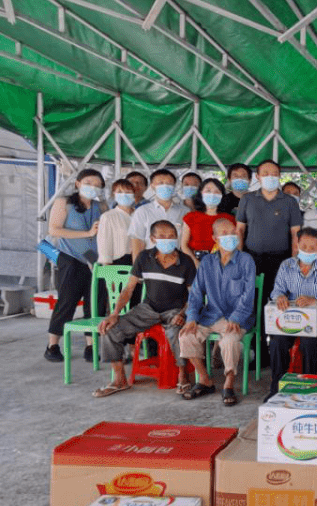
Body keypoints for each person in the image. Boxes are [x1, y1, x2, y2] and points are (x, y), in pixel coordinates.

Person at [92, 220, 197, 397]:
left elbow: (193, 295)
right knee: (110, 329)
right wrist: (115, 313)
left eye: (172, 236)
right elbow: (129, 289)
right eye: (162, 236)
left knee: (177, 333)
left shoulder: (186, 262)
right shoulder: (143, 258)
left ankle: (183, 375)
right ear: (153, 239)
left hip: (175, 310)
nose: (168, 239)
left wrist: (183, 313)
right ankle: (119, 380)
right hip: (148, 309)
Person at [179, 217, 256, 406]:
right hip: (211, 315)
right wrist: (191, 318)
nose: (230, 236)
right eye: (224, 233)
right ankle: (205, 379)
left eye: (233, 233)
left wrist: (236, 317)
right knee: (186, 336)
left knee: (229, 341)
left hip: (238, 317)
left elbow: (248, 295)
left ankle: (229, 383)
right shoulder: (206, 262)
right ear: (214, 238)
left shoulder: (246, 260)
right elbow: (196, 293)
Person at [236, 159, 302, 363]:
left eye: (274, 173)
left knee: (278, 303)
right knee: (254, 304)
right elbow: (239, 230)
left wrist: (293, 263)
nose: (270, 176)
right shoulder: (247, 199)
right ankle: (259, 354)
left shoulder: (290, 202)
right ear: (258, 177)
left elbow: (295, 235)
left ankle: (278, 351)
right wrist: (238, 259)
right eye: (265, 173)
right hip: (251, 259)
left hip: (280, 261)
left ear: (280, 176)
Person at [44, 168, 106, 363]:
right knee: (67, 302)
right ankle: (52, 345)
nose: (92, 187)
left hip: (94, 260)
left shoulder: (101, 205)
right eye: (88, 183)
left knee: (95, 304)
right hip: (70, 258)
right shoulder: (64, 203)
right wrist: (87, 233)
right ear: (78, 183)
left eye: (97, 185)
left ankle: (91, 346)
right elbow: (54, 230)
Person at [267, 227, 317, 395]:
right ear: (297, 245)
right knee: (277, 342)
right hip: (291, 318)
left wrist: (314, 300)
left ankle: (308, 388)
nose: (307, 251)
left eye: (312, 248)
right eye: (304, 246)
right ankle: (277, 388)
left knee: (308, 343)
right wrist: (280, 297)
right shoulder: (287, 266)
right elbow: (276, 290)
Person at [128, 169, 187, 260]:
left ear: (174, 186)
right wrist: (137, 268)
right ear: (152, 186)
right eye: (160, 183)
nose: (165, 186)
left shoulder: (185, 212)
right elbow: (137, 242)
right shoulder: (142, 211)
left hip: (176, 263)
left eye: (169, 183)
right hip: (149, 262)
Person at [181, 177, 232, 261]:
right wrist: (196, 263)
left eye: (217, 192)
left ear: (222, 195)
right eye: (208, 191)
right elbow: (184, 245)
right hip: (194, 261)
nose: (212, 194)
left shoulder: (229, 219)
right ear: (201, 193)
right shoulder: (190, 217)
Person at [97, 178, 136, 266]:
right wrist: (109, 273)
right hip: (118, 263)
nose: (124, 195)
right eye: (120, 192)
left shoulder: (140, 214)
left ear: (134, 194)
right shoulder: (108, 217)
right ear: (114, 194)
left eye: (128, 192)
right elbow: (105, 247)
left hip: (139, 262)